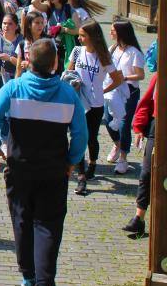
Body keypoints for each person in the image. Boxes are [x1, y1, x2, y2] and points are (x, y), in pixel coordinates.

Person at [0, 39, 88, 286]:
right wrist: (72, 161)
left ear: (28, 60)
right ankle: (45, 280)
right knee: (48, 225)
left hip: (20, 168)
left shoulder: (14, 88)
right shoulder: (68, 95)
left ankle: (28, 276)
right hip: (54, 171)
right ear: (55, 63)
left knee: (21, 219)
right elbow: (81, 135)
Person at [67, 20, 123, 195]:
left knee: (91, 138)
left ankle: (92, 163)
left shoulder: (103, 56)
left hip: (96, 104)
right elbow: (69, 73)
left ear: (92, 36)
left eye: (83, 36)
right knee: (78, 138)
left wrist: (102, 89)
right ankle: (81, 176)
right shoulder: (77, 52)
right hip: (78, 102)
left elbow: (117, 79)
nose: (80, 38)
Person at [105, 21, 145, 175]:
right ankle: (117, 143)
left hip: (129, 91)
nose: (111, 33)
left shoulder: (134, 52)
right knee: (108, 120)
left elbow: (140, 75)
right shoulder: (113, 49)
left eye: (113, 30)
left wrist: (125, 77)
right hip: (112, 90)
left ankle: (123, 157)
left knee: (124, 123)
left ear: (121, 32)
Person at [123, 73, 157, 236]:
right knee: (146, 174)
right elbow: (147, 102)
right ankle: (139, 219)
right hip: (157, 128)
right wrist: (139, 127)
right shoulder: (159, 75)